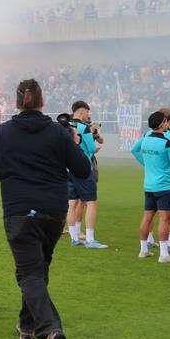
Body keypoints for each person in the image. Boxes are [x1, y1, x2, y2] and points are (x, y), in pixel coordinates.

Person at [0, 78, 90, 339]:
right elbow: (82, 170)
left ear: (17, 102)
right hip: (53, 211)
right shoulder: (57, 132)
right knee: (38, 269)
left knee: (28, 274)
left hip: (19, 210)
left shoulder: (3, 133)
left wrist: (12, 173)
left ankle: (50, 331)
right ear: (42, 101)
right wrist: (74, 144)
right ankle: (26, 325)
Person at [130, 109, 170, 260]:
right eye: (165, 121)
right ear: (162, 123)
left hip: (149, 185)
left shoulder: (146, 139)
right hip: (164, 185)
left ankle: (143, 249)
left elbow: (134, 150)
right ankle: (164, 253)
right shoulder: (167, 143)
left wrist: (147, 163)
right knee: (165, 219)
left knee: (147, 217)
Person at [64, 101, 106, 248]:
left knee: (71, 203)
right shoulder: (84, 128)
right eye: (87, 112)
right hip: (83, 167)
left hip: (67, 168)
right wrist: (93, 148)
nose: (88, 115)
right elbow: (92, 148)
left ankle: (74, 238)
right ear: (81, 112)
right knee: (91, 202)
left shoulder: (64, 125)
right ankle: (90, 239)